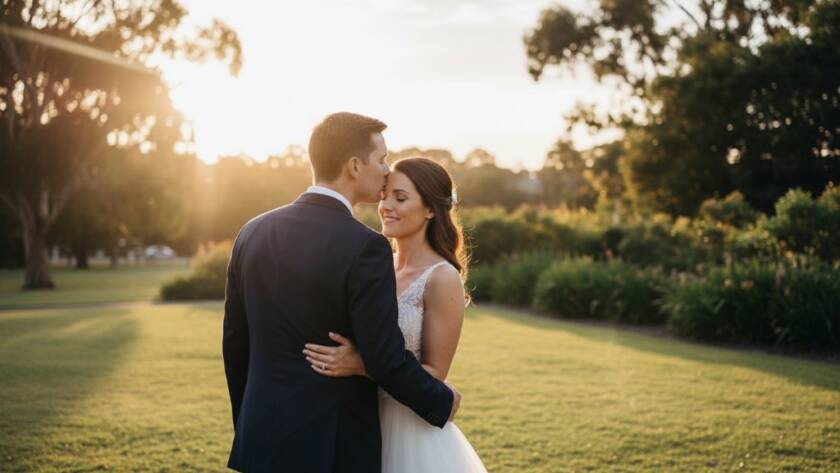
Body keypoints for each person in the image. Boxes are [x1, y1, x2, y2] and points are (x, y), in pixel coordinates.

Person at [223, 113, 460, 472]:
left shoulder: (252, 232)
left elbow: (235, 346)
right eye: (381, 160)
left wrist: (249, 425)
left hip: (261, 440)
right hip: (332, 448)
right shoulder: (366, 247)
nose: (384, 171)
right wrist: (442, 401)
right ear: (354, 166)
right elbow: (385, 358)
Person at [303, 157, 488, 473]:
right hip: (357, 421)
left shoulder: (441, 278)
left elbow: (434, 374)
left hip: (409, 430)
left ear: (431, 209)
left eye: (400, 198)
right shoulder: (375, 265)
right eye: (384, 195)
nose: (386, 205)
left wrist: (362, 364)